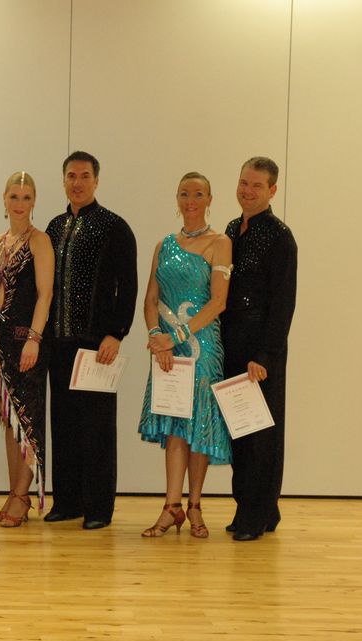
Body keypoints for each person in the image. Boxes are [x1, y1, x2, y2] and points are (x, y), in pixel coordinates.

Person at [43, 151, 138, 530]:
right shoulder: (54, 227)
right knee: (63, 424)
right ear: (63, 180)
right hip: (58, 343)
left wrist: (116, 333)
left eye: (84, 176)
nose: (77, 182)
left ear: (96, 181)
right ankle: (67, 501)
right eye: (71, 175)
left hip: (97, 345)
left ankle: (99, 508)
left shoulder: (114, 226)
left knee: (97, 428)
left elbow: (127, 286)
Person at [137, 172, 233, 538]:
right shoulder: (163, 244)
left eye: (198, 194)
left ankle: (195, 506)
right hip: (167, 347)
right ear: (176, 199)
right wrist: (155, 337)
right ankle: (171, 506)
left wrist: (175, 336)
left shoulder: (220, 243)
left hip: (202, 347)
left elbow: (218, 301)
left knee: (198, 427)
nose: (190, 200)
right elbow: (150, 299)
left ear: (210, 199)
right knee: (175, 425)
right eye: (184, 194)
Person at [0, 171, 54, 528]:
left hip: (24, 340)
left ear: (34, 202)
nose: (20, 203)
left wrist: (34, 339)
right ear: (4, 200)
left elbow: (45, 295)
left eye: (26, 197)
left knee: (27, 418)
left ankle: (23, 496)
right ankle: (13, 493)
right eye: (14, 196)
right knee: (9, 420)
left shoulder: (40, 241)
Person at [221, 157, 297, 542]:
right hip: (231, 342)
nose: (247, 191)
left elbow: (283, 303)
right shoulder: (231, 229)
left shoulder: (280, 237)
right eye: (243, 182)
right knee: (239, 431)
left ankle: (257, 512)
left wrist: (265, 355)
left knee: (261, 435)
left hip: (261, 349)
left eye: (256, 185)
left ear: (272, 190)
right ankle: (257, 508)